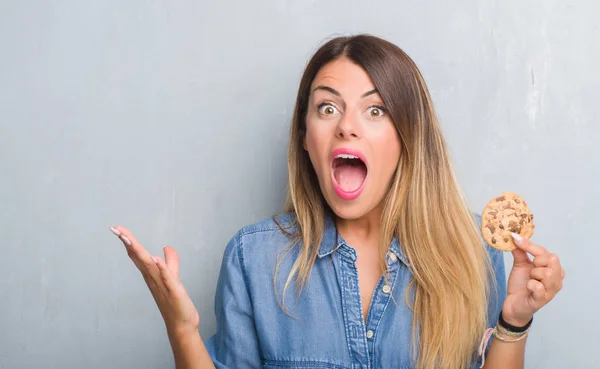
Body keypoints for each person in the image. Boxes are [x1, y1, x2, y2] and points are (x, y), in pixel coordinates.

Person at [109, 34, 565, 369]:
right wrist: (182, 330)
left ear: (408, 138)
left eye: (375, 110)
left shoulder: (471, 250)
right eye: (327, 108)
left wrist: (514, 322)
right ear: (306, 138)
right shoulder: (253, 258)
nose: (346, 126)